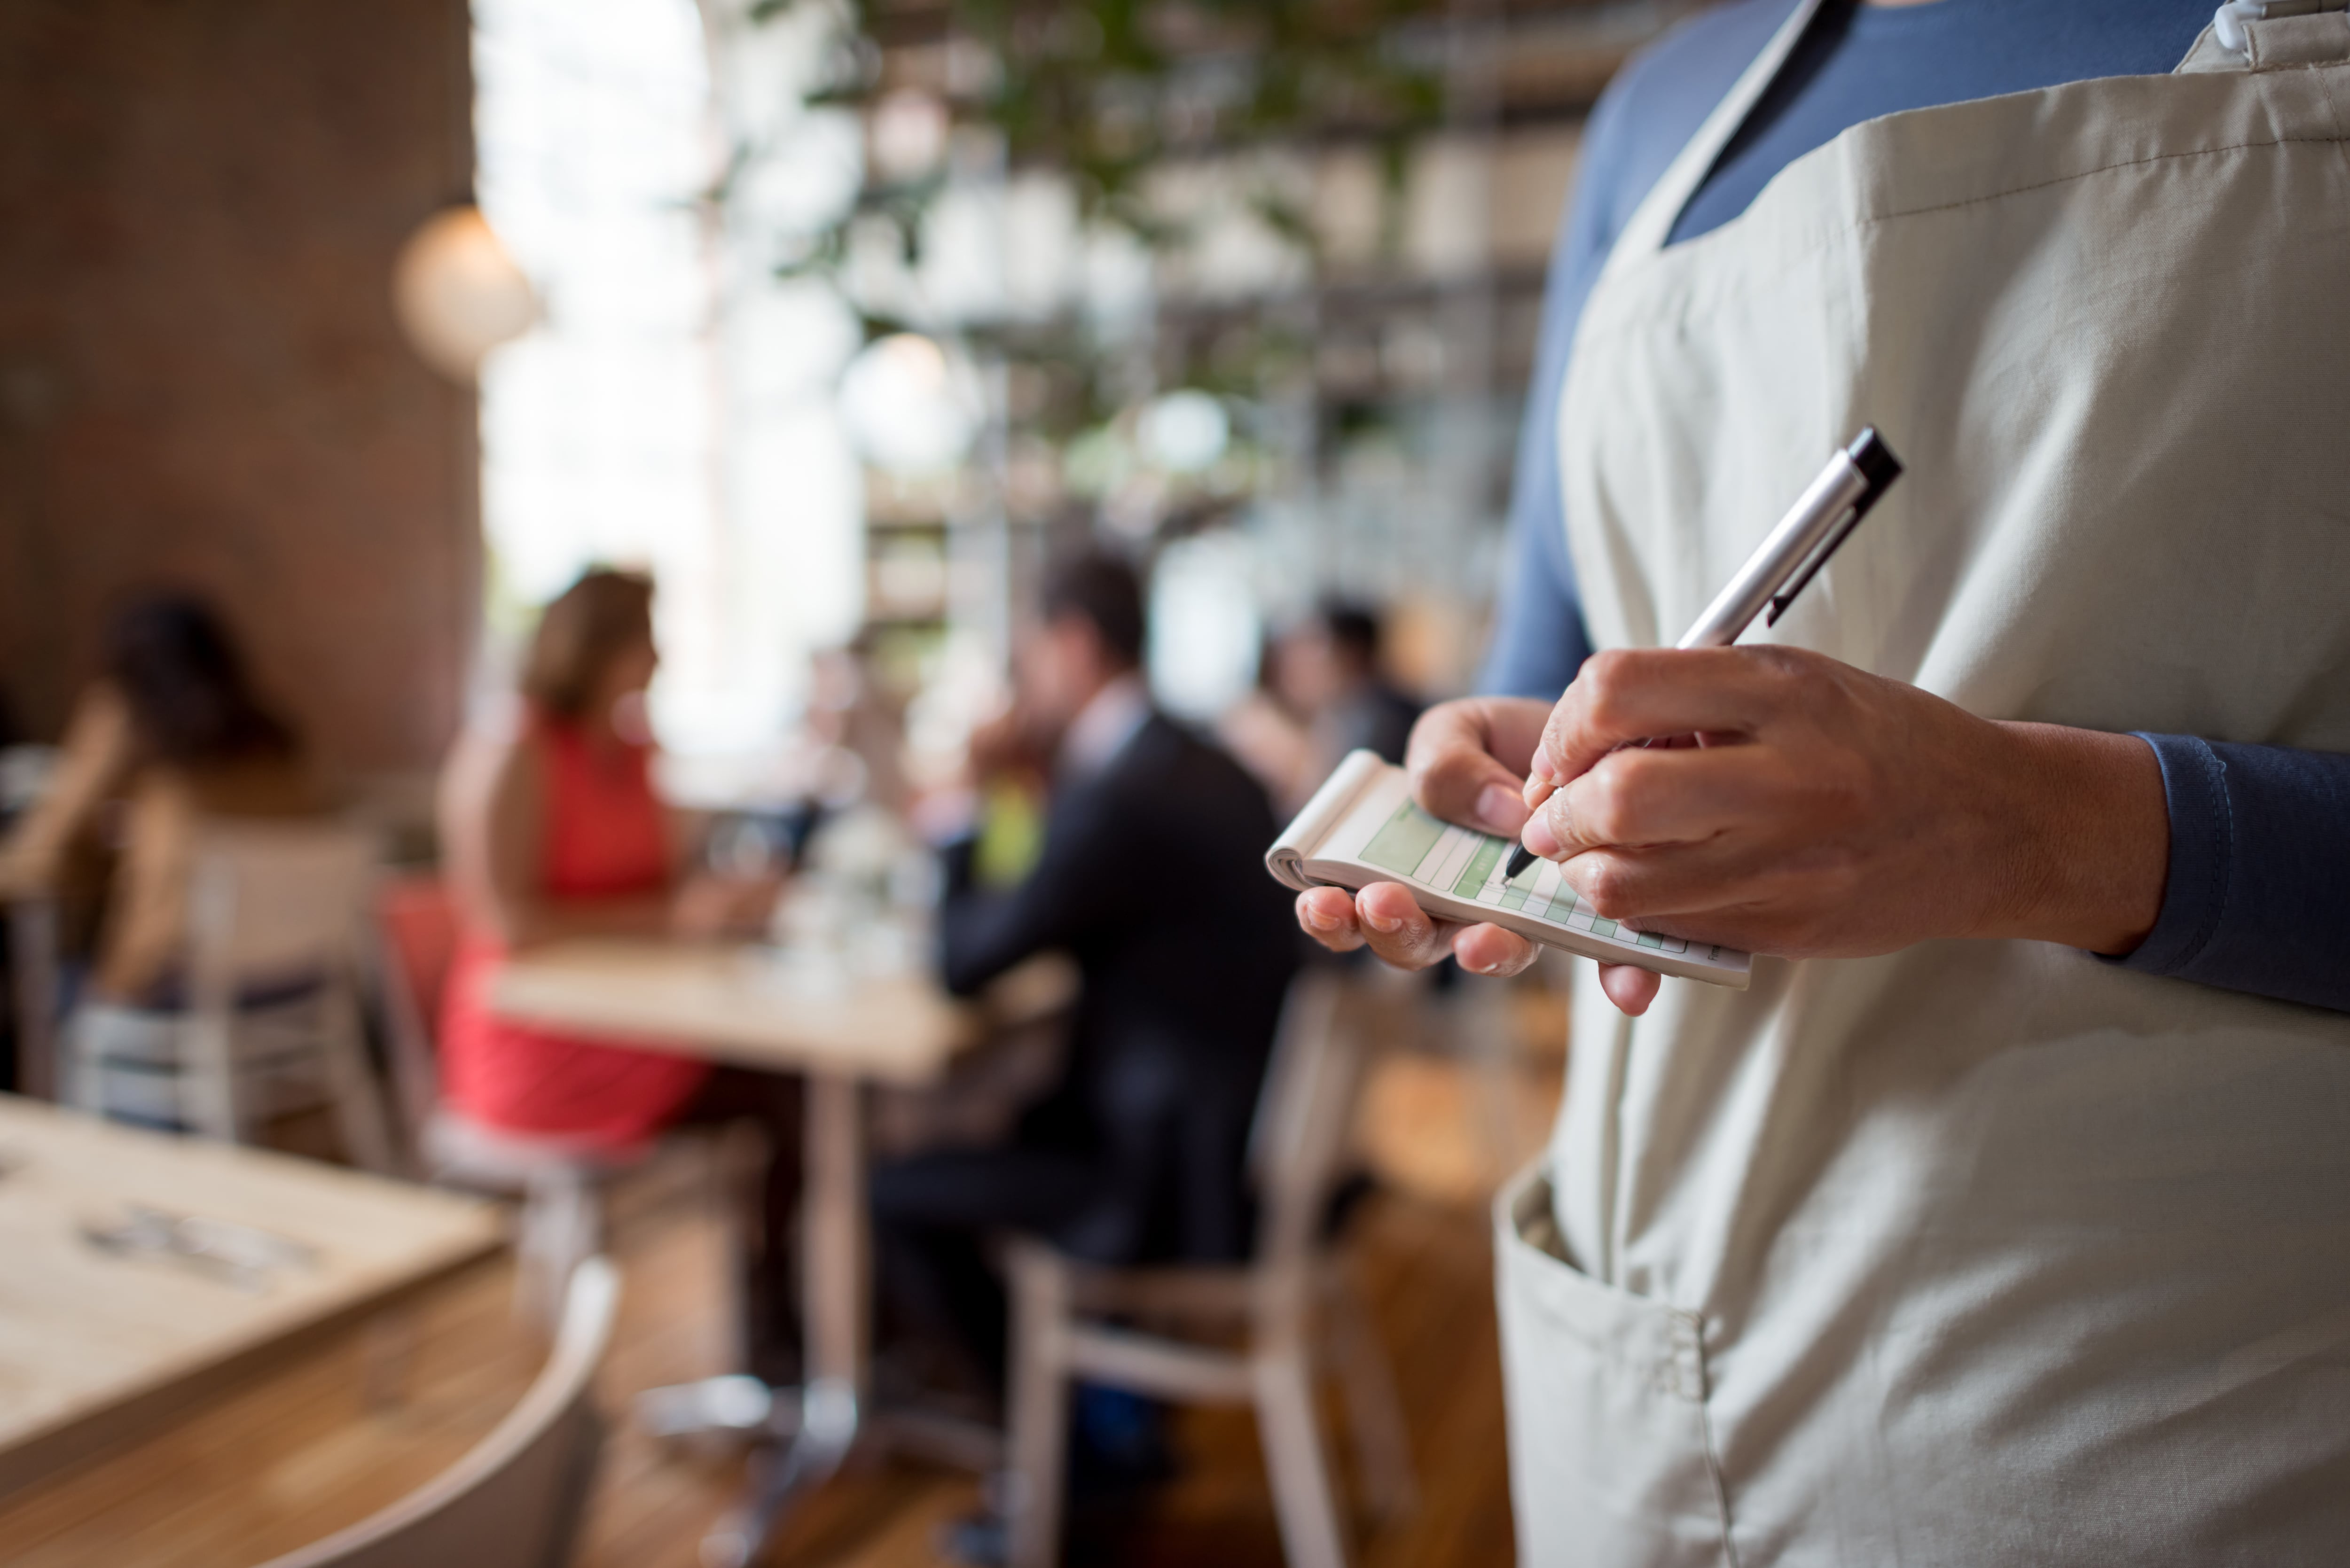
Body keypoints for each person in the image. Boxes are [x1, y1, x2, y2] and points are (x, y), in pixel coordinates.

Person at [1297, 2, 2350, 1562]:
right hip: (1651, 1364)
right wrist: (1508, 764)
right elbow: (1565, 652)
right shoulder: (1653, 120)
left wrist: (2041, 831)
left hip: (2179, 1413)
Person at [872, 551, 1300, 1402]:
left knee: (889, 1190)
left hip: (1162, 1179)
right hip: (1236, 1142)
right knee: (994, 1116)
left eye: (1028, 655)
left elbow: (965, 962)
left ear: (1073, 645)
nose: (1023, 680)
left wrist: (965, 796)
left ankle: (1061, 1466)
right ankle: (1086, 1421)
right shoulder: (1204, 761)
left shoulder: (1120, 792)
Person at [437, 568, 802, 1379]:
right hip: (536, 1043)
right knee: (785, 1098)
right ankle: (781, 1343)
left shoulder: (637, 749)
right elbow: (507, 921)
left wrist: (722, 905)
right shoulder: (515, 749)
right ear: (595, 647)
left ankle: (795, 1336)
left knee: (794, 1085)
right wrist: (670, 919)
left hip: (634, 1022)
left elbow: (667, 890)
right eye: (646, 636)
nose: (661, 656)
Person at [0, 593, 324, 1004]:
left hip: (178, 975)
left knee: (57, 992)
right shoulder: (273, 737)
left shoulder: (129, 719)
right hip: (297, 976)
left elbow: (46, 848)